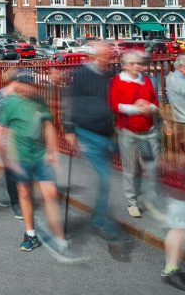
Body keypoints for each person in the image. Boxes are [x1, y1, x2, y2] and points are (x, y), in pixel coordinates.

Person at [0, 72, 82, 262]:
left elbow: (48, 125)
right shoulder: (10, 103)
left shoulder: (39, 100)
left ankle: (60, 239)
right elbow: (0, 129)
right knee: (25, 193)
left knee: (50, 194)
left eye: (32, 86)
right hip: (19, 155)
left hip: (40, 154)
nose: (31, 89)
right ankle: (30, 234)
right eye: (27, 85)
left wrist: (52, 151)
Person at [63, 43, 124, 243]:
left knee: (105, 178)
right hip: (87, 132)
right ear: (96, 56)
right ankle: (99, 222)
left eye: (110, 53)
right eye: (104, 53)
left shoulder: (111, 76)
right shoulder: (81, 75)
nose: (108, 56)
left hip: (106, 132)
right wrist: (69, 130)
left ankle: (100, 216)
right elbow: (69, 101)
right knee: (105, 179)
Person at [109, 53, 161, 218]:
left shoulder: (145, 80)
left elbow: (155, 102)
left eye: (138, 63)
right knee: (130, 168)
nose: (136, 67)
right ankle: (132, 202)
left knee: (150, 166)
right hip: (129, 132)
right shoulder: (118, 81)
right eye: (132, 64)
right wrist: (137, 108)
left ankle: (150, 199)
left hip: (146, 133)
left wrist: (149, 107)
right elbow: (115, 105)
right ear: (124, 66)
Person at [0, 69, 22, 218]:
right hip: (3, 137)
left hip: (18, 138)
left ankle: (18, 198)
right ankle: (15, 203)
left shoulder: (23, 96)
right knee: (10, 171)